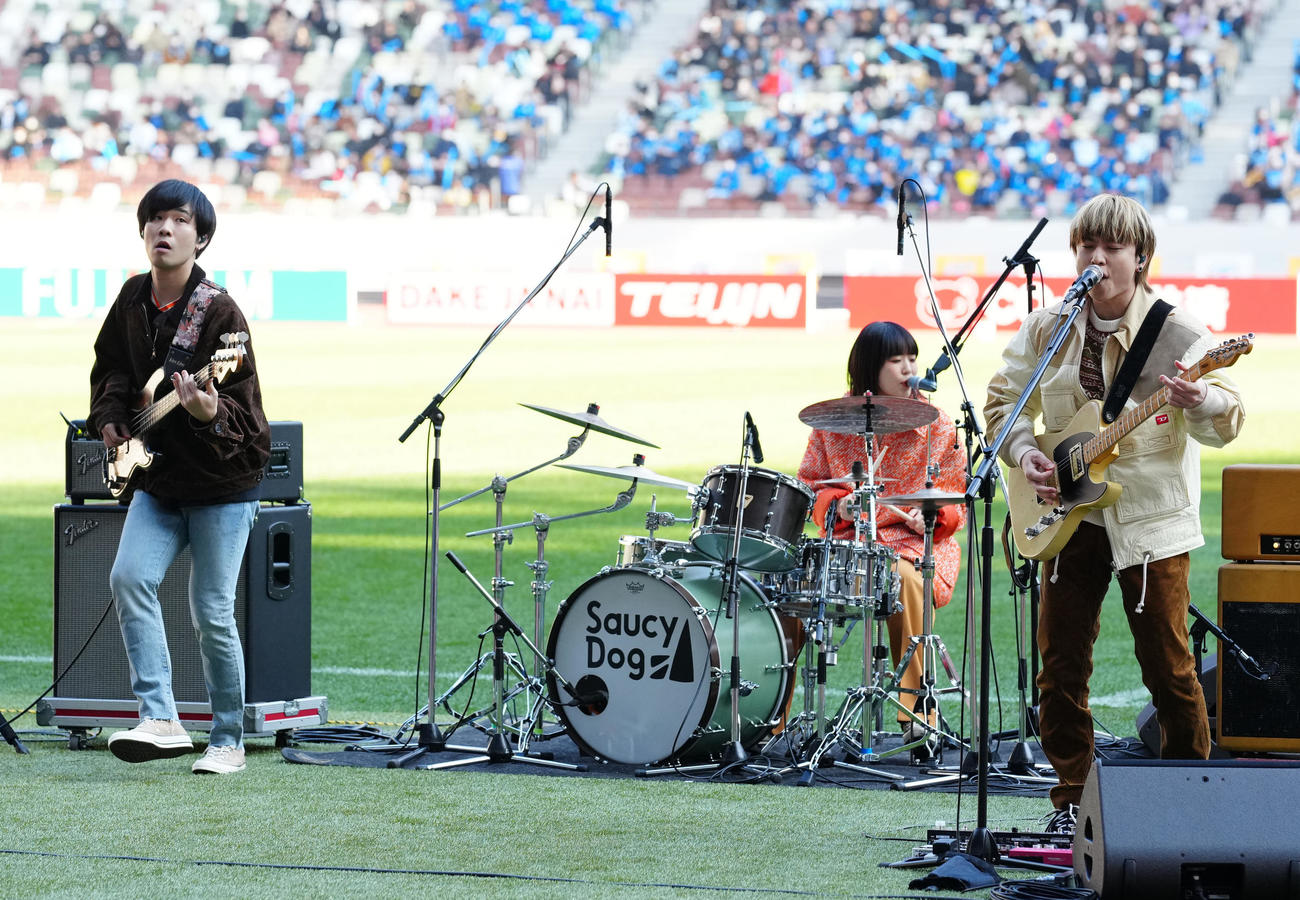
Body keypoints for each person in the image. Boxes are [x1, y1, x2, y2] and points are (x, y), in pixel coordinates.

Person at [984, 193, 1244, 832]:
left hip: (1151, 523)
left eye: (1112, 247)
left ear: (1140, 257)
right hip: (1068, 519)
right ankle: (1073, 801)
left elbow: (1229, 423)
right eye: (1086, 246)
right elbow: (1002, 406)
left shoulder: (1179, 333)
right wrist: (1024, 455)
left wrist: (1200, 395)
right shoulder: (1049, 328)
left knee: (1169, 663)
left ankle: (1191, 799)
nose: (1097, 258)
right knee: (1061, 664)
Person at [88, 179, 270, 775]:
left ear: (202, 236)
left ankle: (227, 741)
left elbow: (244, 416)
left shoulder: (219, 312)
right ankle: (161, 719)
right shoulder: (131, 297)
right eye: (155, 220)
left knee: (211, 611)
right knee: (128, 577)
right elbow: (112, 370)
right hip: (160, 481)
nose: (164, 230)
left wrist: (208, 411)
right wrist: (114, 420)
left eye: (179, 221)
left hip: (222, 484)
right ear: (142, 232)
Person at [797, 321, 967, 754]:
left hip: (912, 546)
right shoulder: (831, 424)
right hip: (849, 545)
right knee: (790, 582)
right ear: (871, 368)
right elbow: (811, 485)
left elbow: (956, 500)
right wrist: (841, 506)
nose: (909, 368)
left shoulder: (940, 426)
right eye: (897, 360)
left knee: (906, 580)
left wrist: (926, 517)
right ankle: (766, 717)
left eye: (912, 357)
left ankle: (917, 715)